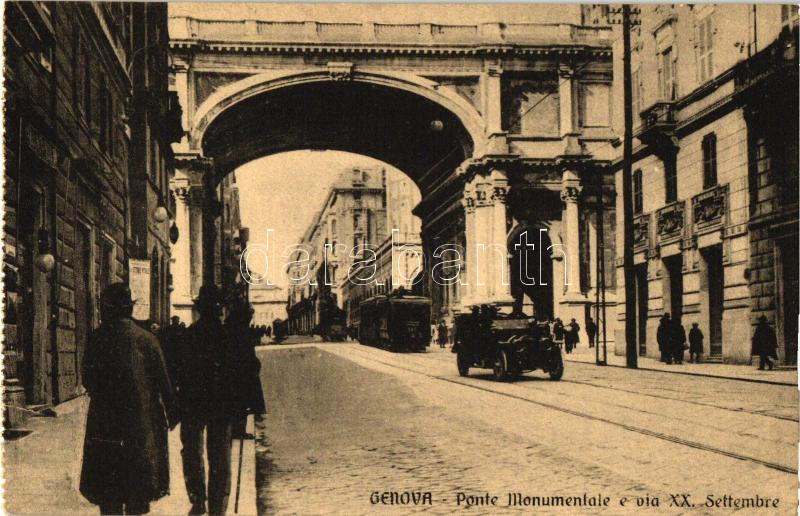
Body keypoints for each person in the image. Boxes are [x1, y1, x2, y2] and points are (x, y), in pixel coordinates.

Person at [80, 283, 177, 515]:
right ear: (129, 309)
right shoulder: (147, 339)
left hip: (105, 429)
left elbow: (87, 379)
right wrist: (172, 413)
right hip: (140, 429)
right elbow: (164, 383)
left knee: (109, 496)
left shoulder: (96, 338)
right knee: (137, 494)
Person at [174, 285, 238, 515]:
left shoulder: (189, 335)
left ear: (200, 309)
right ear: (219, 309)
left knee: (192, 452)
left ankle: (198, 499)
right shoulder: (228, 337)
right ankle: (217, 508)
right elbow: (240, 374)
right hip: (221, 405)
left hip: (193, 403)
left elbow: (178, 371)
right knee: (220, 456)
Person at [225, 299, 267, 440]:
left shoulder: (233, 328)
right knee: (241, 402)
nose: (250, 318)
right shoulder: (241, 331)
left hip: (238, 372)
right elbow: (245, 353)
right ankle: (239, 430)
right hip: (242, 373)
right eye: (249, 315)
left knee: (240, 403)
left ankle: (237, 429)